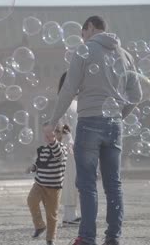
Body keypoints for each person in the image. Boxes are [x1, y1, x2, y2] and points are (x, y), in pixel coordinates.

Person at [44, 16, 142, 245]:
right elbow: (136, 95)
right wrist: (119, 115)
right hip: (114, 124)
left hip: (89, 122)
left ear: (90, 28)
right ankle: (113, 237)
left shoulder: (84, 50)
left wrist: (52, 121)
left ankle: (87, 238)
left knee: (87, 183)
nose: (82, 37)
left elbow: (68, 89)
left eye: (83, 32)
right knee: (114, 184)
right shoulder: (126, 55)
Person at [27, 123, 69, 245]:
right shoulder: (43, 149)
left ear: (58, 135)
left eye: (51, 133)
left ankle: (50, 239)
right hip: (39, 184)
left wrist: (53, 141)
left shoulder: (62, 149)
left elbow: (58, 154)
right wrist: (33, 167)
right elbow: (39, 164)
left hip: (54, 188)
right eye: (45, 133)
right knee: (31, 201)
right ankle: (39, 225)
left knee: (51, 215)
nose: (47, 136)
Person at [58, 72, 81, 226]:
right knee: (69, 180)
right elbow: (63, 126)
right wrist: (70, 141)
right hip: (69, 147)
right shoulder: (63, 102)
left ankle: (72, 213)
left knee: (75, 181)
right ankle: (68, 215)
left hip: (77, 145)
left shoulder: (75, 102)